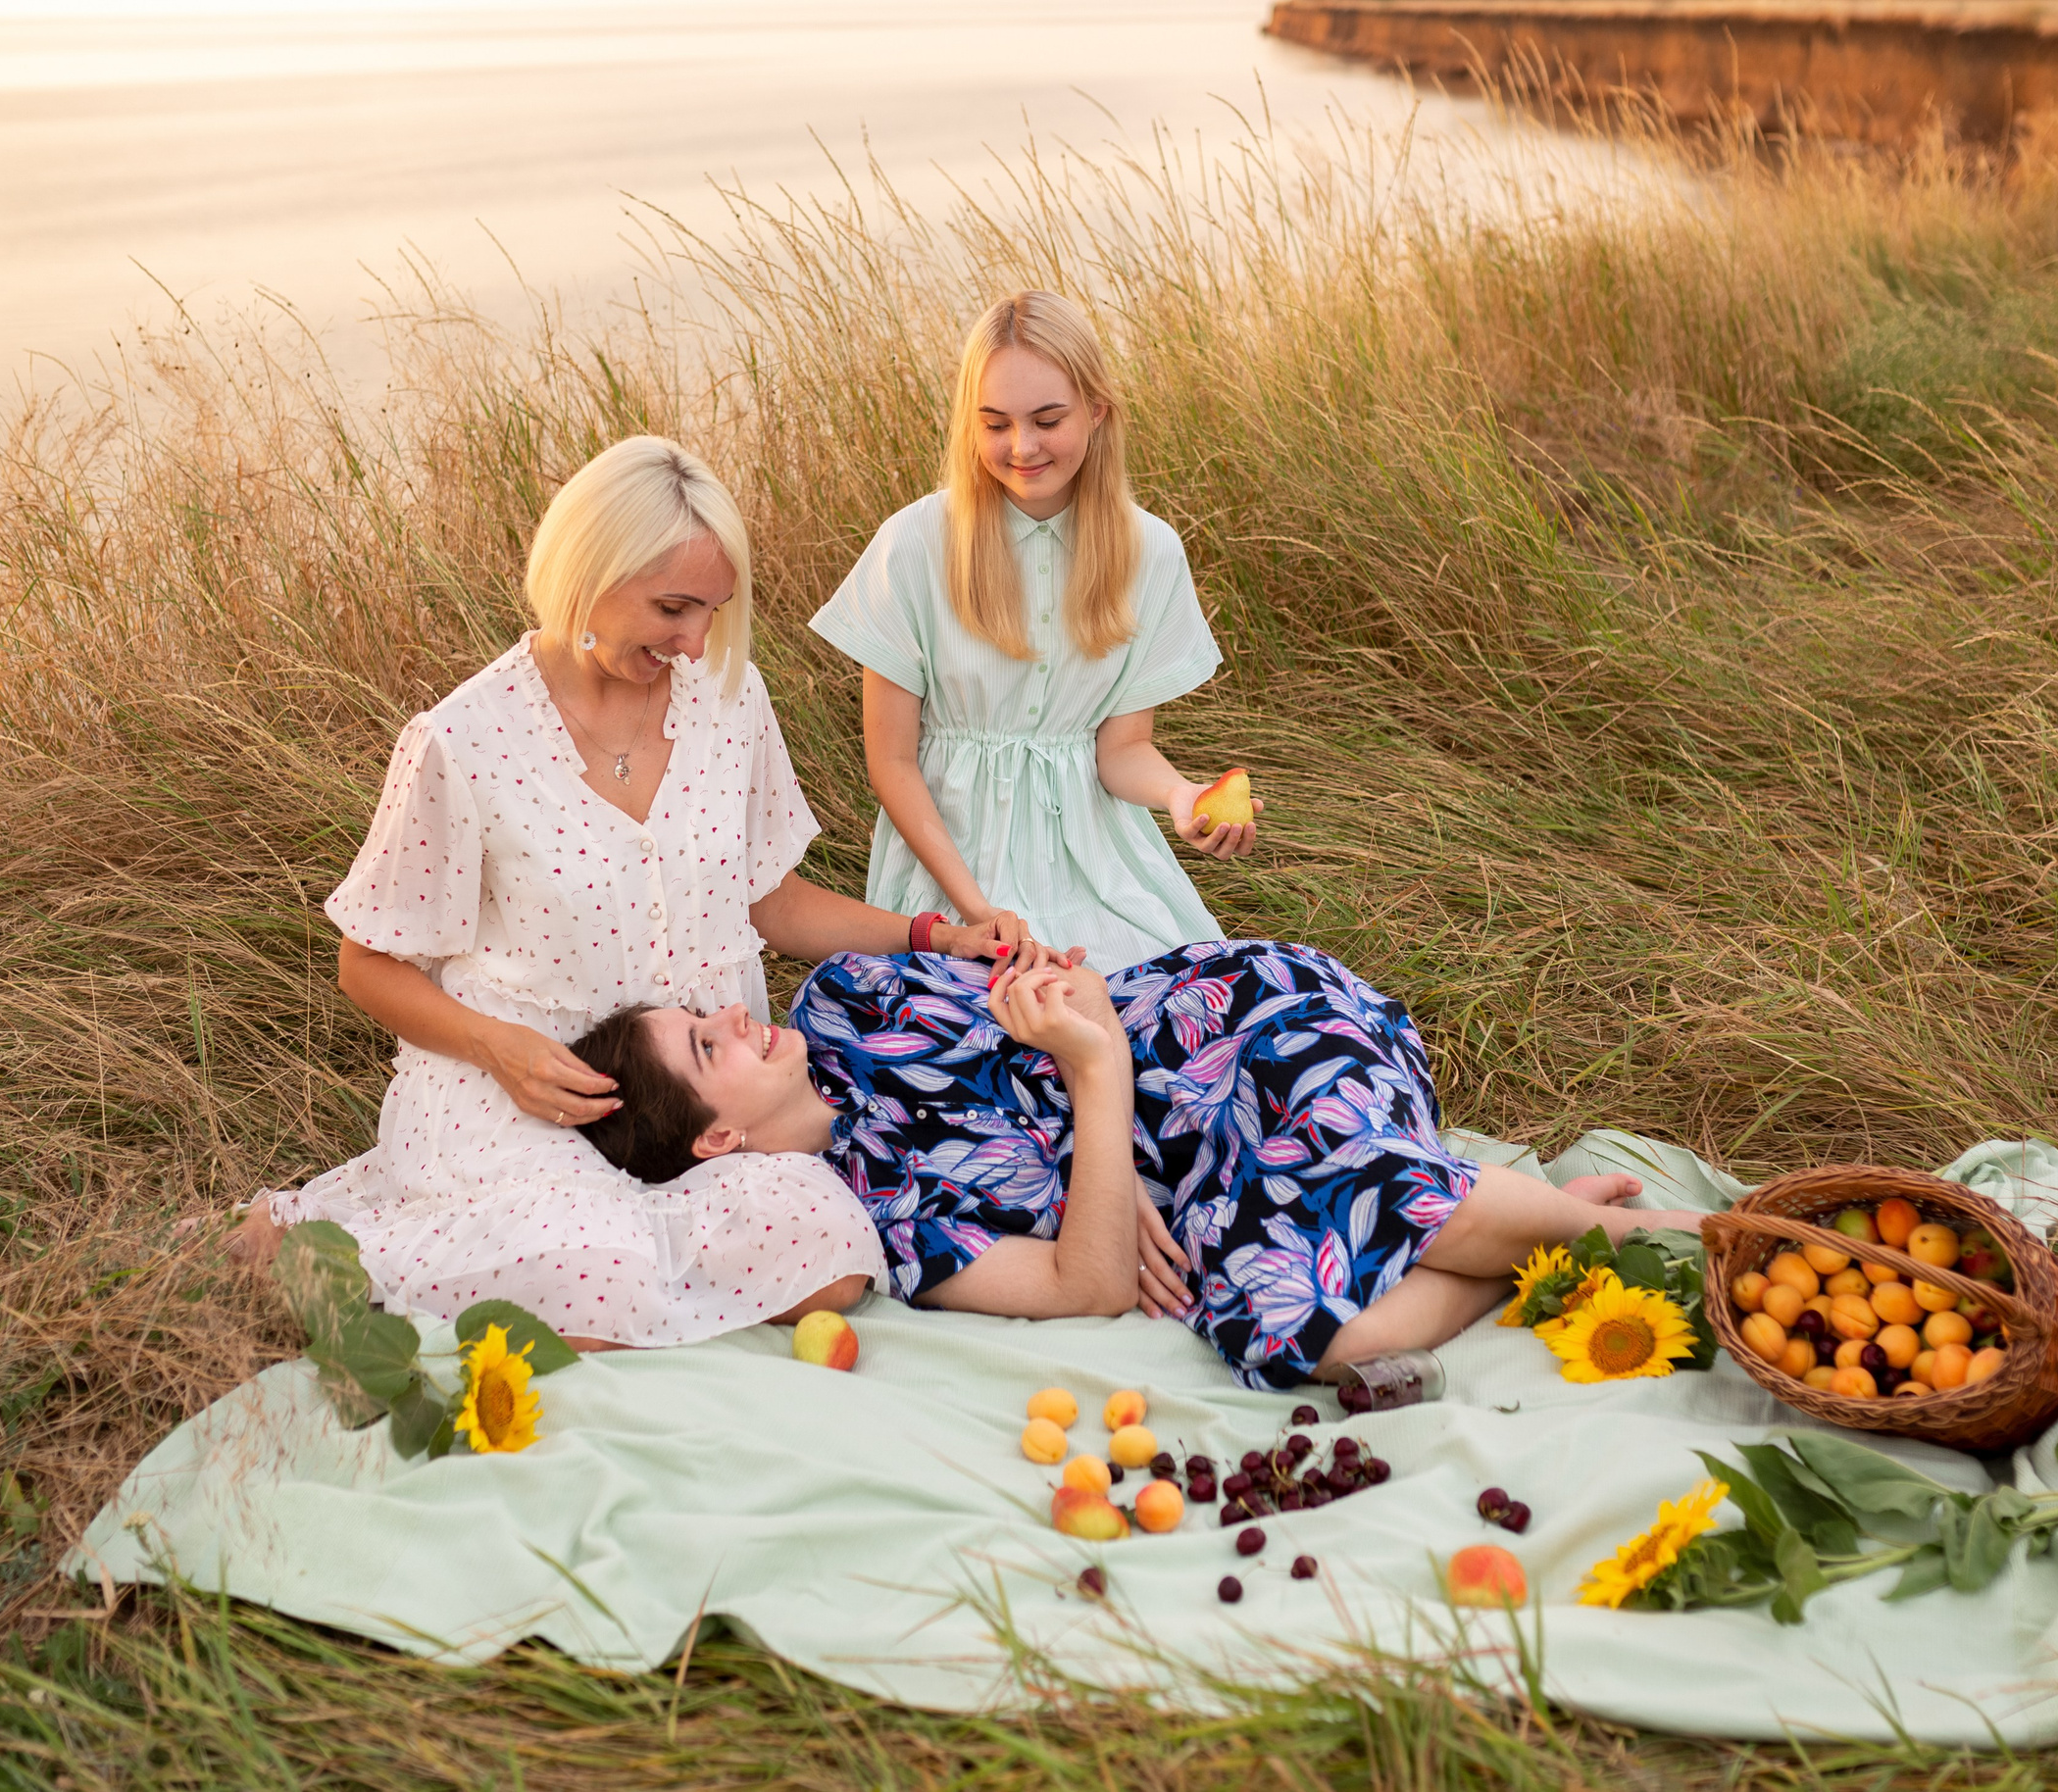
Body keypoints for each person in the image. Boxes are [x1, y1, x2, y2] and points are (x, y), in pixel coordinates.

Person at [228, 436, 1027, 1350]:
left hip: (699, 1106)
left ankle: (586, 1276)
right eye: (673, 608)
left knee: (831, 1247)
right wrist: (501, 1051)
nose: (695, 641)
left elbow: (772, 902)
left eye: (713, 611)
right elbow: (368, 963)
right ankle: (310, 1252)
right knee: (591, 1266)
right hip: (517, 1102)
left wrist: (929, 935)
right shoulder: (463, 741)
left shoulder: (731, 699)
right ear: (587, 574)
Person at [570, 941, 1702, 1388]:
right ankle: (1525, 1236)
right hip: (1199, 1158)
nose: (734, 1014)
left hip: (1230, 1024)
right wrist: (1096, 1102)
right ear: (717, 1139)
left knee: (1335, 1168)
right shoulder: (877, 1217)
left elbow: (1070, 984)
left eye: (708, 1014)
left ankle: (1675, 1247)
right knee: (1302, 1338)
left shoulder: (851, 999)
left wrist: (1094, 1040)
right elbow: (1090, 1286)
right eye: (708, 1046)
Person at [810, 289, 1259, 971]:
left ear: (1097, 409)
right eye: (994, 424)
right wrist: (977, 912)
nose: (1022, 446)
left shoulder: (1151, 551)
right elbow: (892, 763)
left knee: (1175, 1014)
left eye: (1048, 419)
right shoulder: (912, 545)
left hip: (1101, 860)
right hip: (952, 866)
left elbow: (1121, 749)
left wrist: (1181, 796)